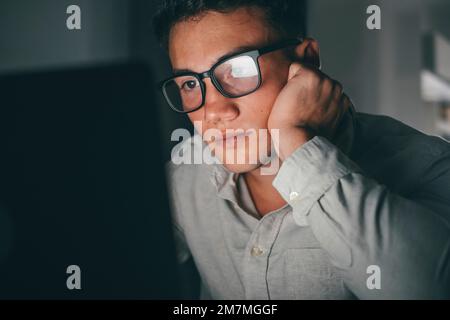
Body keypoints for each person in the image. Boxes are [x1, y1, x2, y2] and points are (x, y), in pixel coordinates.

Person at [153, 0, 450, 299]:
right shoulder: (184, 177)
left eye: (238, 70)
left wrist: (296, 141)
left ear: (306, 59)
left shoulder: (428, 166)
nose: (215, 111)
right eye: (189, 83)